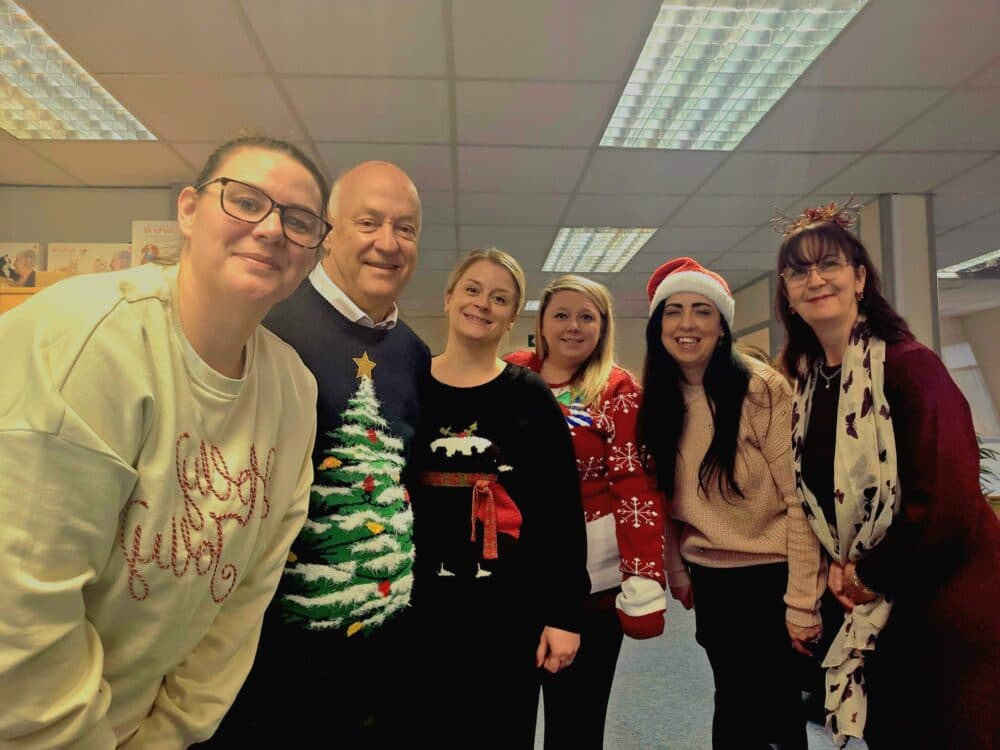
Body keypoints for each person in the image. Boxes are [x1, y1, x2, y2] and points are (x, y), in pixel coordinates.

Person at [0, 135, 330, 747]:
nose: (271, 229)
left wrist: (172, 734)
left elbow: (241, 599)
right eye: (246, 201)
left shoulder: (291, 390)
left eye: (299, 220)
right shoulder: (90, 341)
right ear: (187, 210)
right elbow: (20, 616)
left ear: (312, 252)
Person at [206, 160, 431, 747]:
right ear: (330, 230)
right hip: (274, 662)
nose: (388, 243)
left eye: (405, 229)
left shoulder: (412, 352)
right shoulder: (271, 325)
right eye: (368, 222)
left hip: (383, 646)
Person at [773, 203, 1000, 749]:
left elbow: (945, 505)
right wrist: (837, 564)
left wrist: (865, 573)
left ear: (859, 277)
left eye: (828, 264)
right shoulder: (811, 382)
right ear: (787, 291)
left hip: (946, 601)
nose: (815, 279)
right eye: (799, 270)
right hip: (878, 606)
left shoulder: (908, 365)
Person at [637, 257, 824, 750]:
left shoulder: (761, 389)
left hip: (772, 574)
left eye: (702, 310)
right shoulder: (657, 399)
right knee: (734, 700)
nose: (687, 324)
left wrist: (803, 601)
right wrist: (676, 570)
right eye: (674, 311)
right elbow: (665, 500)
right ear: (658, 327)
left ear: (722, 326)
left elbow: (800, 501)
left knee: (777, 710)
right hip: (711, 579)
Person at [408, 248, 589, 747]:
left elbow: (560, 515)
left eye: (499, 297)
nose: (482, 303)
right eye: (472, 289)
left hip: (508, 609)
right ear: (448, 299)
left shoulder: (530, 395)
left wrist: (564, 614)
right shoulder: (410, 385)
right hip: (417, 608)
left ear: (512, 316)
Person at [504, 274, 666, 748]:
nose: (573, 327)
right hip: (511, 575)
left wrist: (643, 574)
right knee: (501, 714)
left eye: (586, 317)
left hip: (589, 582)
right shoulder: (511, 375)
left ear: (603, 326)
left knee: (576, 721)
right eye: (561, 315)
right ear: (542, 323)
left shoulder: (617, 390)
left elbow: (636, 486)